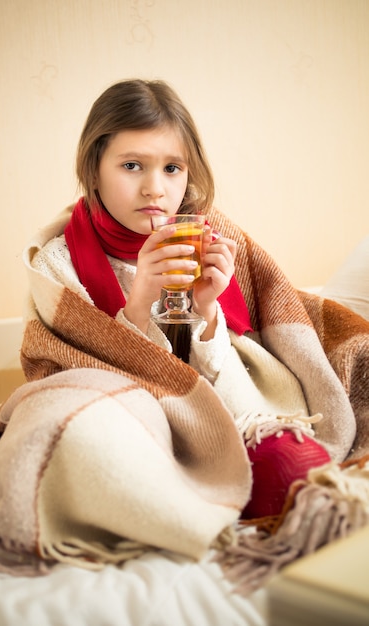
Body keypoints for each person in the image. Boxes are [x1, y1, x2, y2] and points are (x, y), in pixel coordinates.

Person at [21, 78, 364, 520]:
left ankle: (202, 496)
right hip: (128, 425)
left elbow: (243, 396)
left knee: (294, 465)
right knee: (72, 450)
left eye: (171, 169)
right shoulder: (56, 265)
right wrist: (140, 300)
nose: (154, 189)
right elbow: (70, 380)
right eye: (131, 166)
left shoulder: (207, 239)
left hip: (215, 418)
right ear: (94, 171)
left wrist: (207, 310)